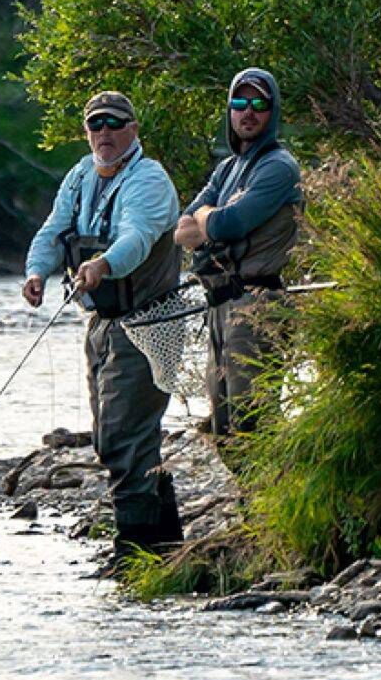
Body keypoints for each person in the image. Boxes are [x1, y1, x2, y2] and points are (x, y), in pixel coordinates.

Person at [23, 91, 184, 569]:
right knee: (116, 436)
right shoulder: (80, 175)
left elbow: (136, 238)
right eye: (96, 125)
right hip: (102, 323)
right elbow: (54, 231)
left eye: (115, 124)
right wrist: (36, 272)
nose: (105, 133)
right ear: (87, 132)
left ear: (133, 130)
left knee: (121, 435)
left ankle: (132, 551)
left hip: (150, 323)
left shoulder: (149, 180)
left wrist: (103, 264)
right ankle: (166, 549)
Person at [175, 68, 303, 438]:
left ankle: (273, 494)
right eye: (240, 102)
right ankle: (254, 495)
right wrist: (208, 218)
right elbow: (181, 232)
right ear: (229, 110)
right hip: (219, 305)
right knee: (223, 428)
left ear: (272, 110)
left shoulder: (279, 167)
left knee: (253, 422)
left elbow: (224, 225)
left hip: (258, 305)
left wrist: (207, 218)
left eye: (259, 103)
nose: (248, 112)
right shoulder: (228, 168)